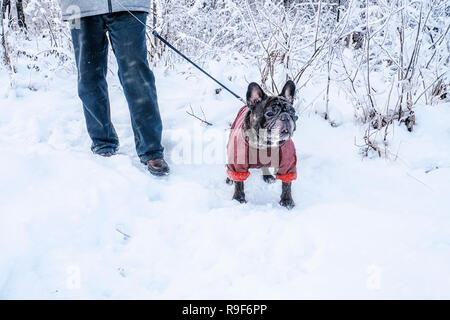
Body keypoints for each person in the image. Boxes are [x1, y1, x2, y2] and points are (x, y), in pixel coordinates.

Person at [60, 0, 170, 176]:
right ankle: (102, 141)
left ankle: (151, 150)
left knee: (136, 76)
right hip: (77, 7)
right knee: (88, 76)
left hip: (129, 5)